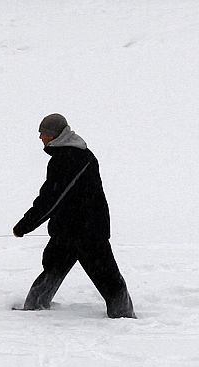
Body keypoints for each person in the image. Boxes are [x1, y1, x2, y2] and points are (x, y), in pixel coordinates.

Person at [13, 113, 136, 318]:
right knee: (53, 267)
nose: (40, 138)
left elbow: (51, 198)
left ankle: (123, 315)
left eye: (43, 133)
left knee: (105, 273)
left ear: (55, 135)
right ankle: (34, 307)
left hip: (88, 230)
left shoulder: (71, 158)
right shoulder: (72, 155)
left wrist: (26, 224)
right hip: (68, 228)